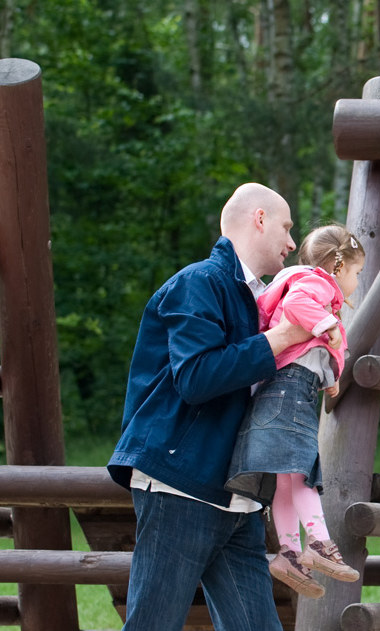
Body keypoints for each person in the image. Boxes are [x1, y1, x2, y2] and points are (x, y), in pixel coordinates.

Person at [108, 183, 313, 631]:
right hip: (181, 487)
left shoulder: (258, 298)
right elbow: (197, 378)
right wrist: (281, 338)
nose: (292, 243)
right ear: (259, 219)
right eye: (286, 227)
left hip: (236, 500)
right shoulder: (200, 282)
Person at [225, 224, 365, 599]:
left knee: (287, 478)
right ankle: (318, 543)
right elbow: (298, 308)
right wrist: (328, 324)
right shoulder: (316, 283)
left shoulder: (303, 281)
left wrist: (330, 376)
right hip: (290, 391)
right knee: (302, 474)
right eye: (356, 272)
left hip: (283, 390)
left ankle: (288, 552)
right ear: (337, 267)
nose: (356, 280)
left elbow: (306, 349)